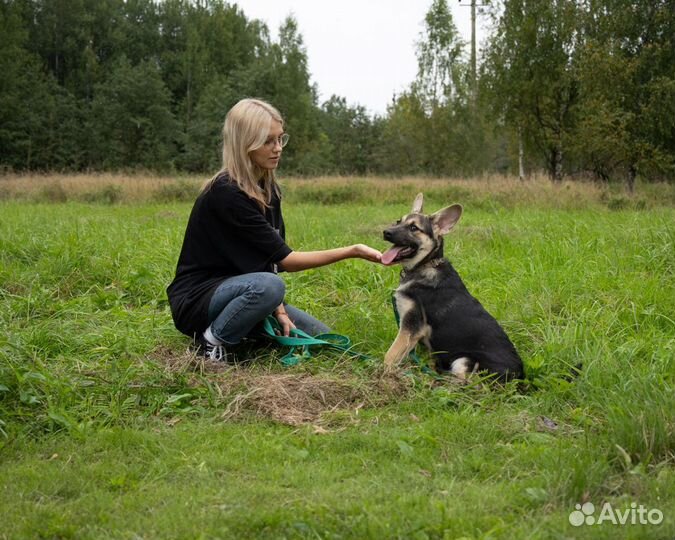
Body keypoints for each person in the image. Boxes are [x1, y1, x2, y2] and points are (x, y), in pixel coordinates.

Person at [167, 98, 382, 361]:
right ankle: (212, 342)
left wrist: (279, 311)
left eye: (280, 139)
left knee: (323, 339)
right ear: (245, 143)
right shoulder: (226, 193)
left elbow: (265, 261)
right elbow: (286, 262)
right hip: (198, 300)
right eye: (268, 141)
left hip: (244, 291)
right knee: (270, 286)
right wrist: (353, 250)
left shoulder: (268, 190)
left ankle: (246, 330)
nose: (277, 148)